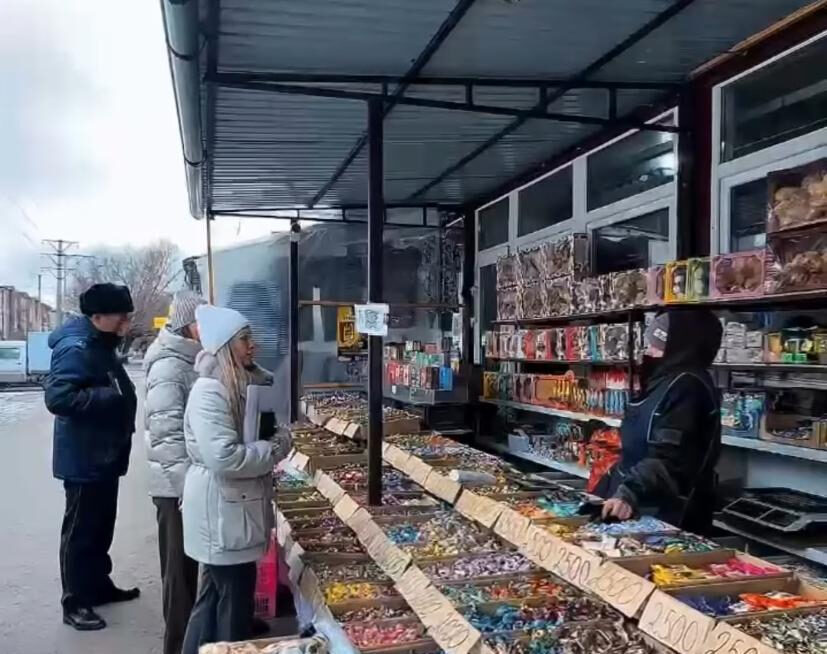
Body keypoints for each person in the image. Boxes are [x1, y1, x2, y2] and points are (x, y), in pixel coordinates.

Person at [181, 305, 290, 654]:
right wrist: (274, 449)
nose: (253, 345)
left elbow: (268, 385)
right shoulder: (210, 392)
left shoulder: (235, 383)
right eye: (245, 339)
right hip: (223, 512)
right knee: (232, 606)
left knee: (214, 596)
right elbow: (225, 457)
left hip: (229, 510)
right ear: (227, 345)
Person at [45, 283, 140, 631]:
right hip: (85, 458)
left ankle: (98, 585)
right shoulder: (77, 347)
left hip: (103, 454)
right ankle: (76, 601)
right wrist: (107, 398)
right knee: (81, 533)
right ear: (97, 317)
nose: (125, 325)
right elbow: (58, 399)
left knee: (101, 527)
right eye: (120, 318)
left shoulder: (100, 342)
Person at [596, 309, 723, 534]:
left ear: (679, 345)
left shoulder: (687, 387)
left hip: (669, 515)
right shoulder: (663, 381)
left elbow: (670, 457)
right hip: (635, 505)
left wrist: (629, 492)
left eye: (656, 344)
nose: (649, 352)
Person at [144, 290, 206, 654]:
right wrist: (187, 488)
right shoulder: (170, 365)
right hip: (175, 487)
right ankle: (178, 644)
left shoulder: (189, 358)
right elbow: (166, 435)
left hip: (188, 482)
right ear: (188, 325)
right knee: (179, 574)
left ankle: (199, 634)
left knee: (195, 563)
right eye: (203, 322)